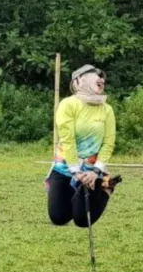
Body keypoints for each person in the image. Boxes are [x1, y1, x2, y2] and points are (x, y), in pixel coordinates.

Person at [47, 65, 120, 228]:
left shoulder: (107, 110)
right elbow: (67, 140)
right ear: (79, 81)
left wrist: (95, 172)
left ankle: (107, 187)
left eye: (102, 77)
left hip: (92, 170)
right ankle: (76, 195)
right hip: (66, 166)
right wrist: (76, 171)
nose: (101, 79)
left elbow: (108, 143)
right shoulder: (68, 104)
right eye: (95, 75)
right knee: (58, 217)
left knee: (82, 221)